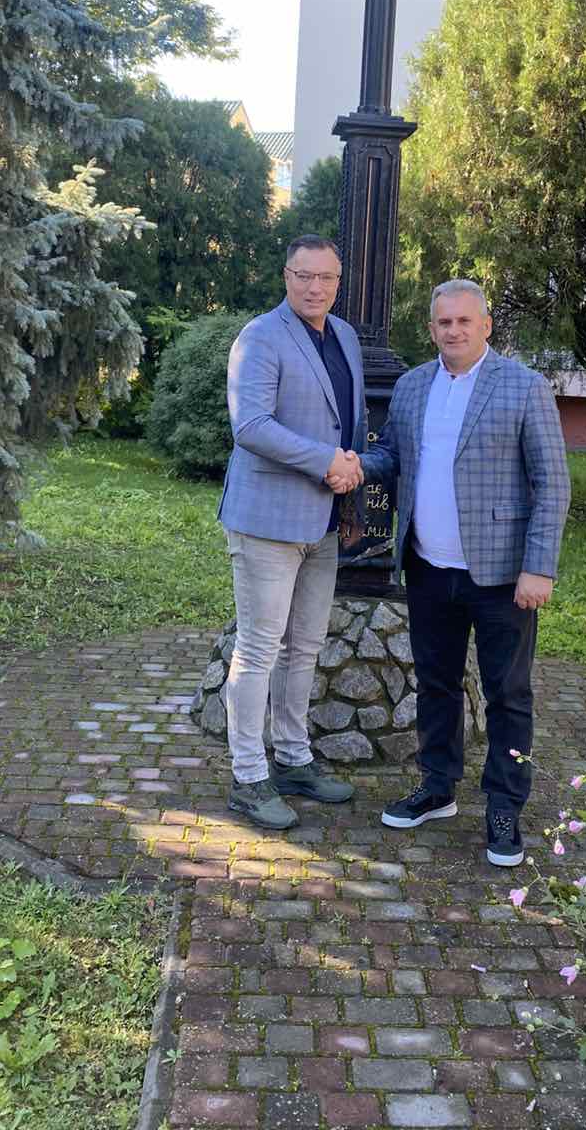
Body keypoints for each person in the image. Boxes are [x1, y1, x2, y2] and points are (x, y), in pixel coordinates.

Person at [359, 280, 569, 866]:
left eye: (464, 321)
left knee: (509, 694)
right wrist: (352, 466)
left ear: (486, 325)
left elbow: (552, 484)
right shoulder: (411, 386)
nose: (453, 330)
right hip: (428, 566)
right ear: (431, 329)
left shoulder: (524, 387)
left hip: (501, 575)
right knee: (437, 684)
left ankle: (504, 804)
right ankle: (437, 786)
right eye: (443, 322)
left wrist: (538, 567)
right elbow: (393, 457)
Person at [218, 234, 365, 829]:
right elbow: (250, 425)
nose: (315, 287)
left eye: (326, 277)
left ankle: (293, 758)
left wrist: (349, 476)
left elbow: (348, 420)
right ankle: (248, 776)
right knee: (259, 649)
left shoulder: (345, 336)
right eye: (304, 275)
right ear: (286, 276)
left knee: (304, 647)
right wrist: (327, 460)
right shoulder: (260, 337)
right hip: (267, 521)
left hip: (324, 520)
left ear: (338, 282)